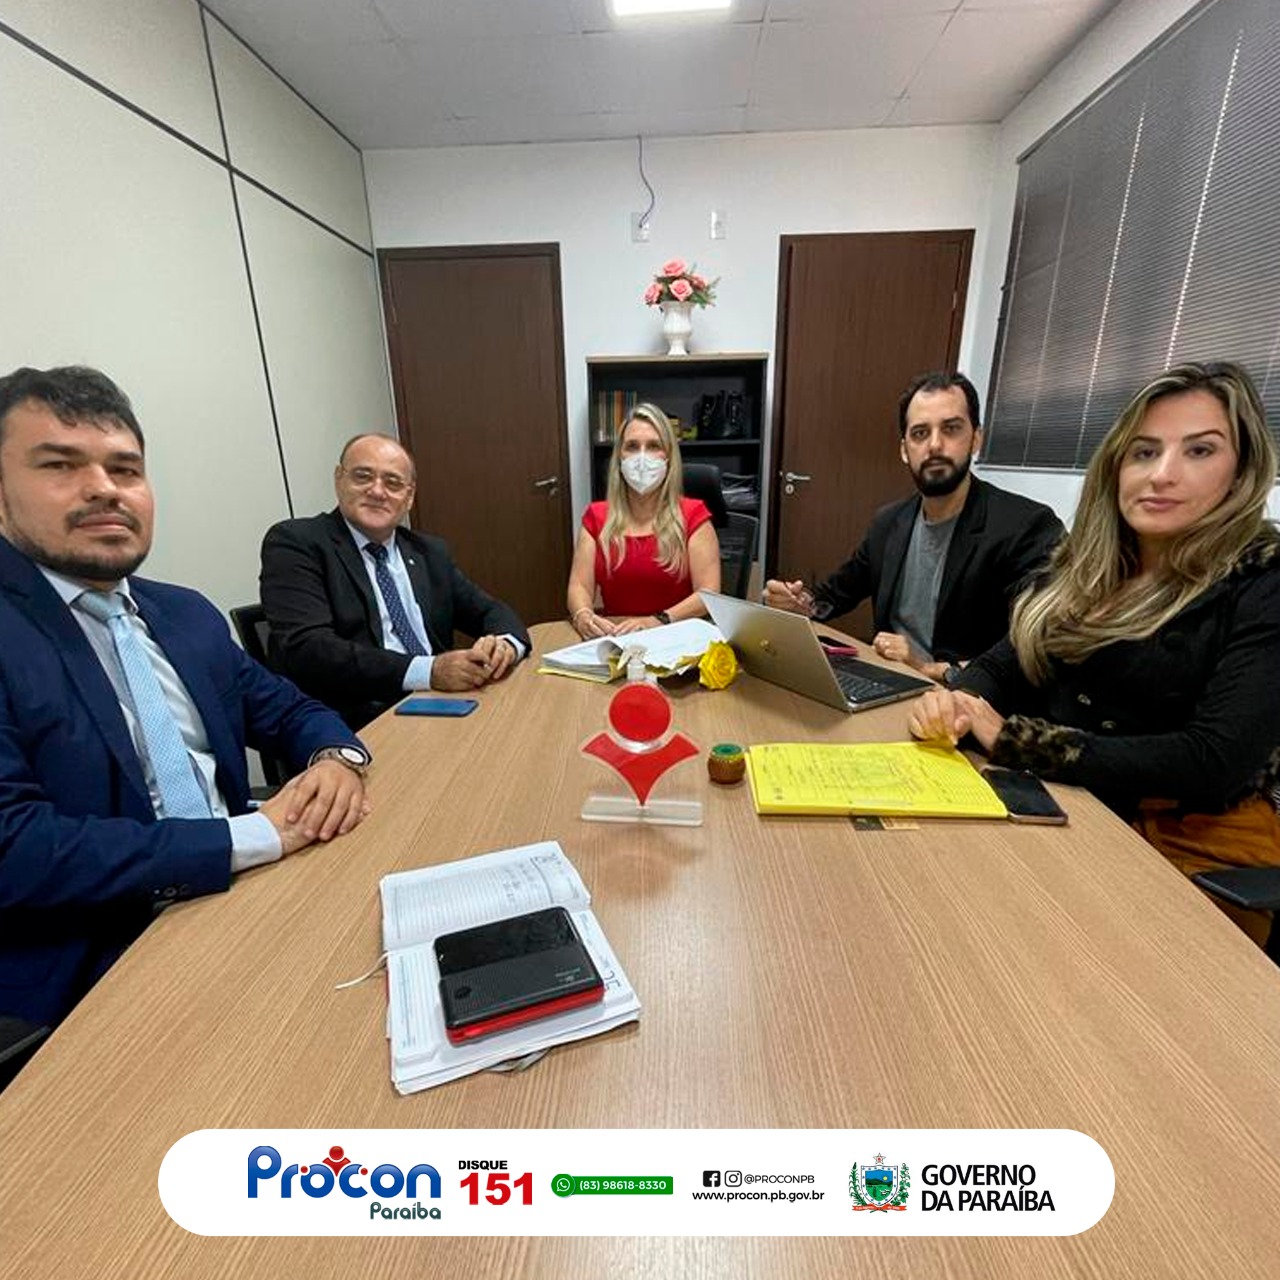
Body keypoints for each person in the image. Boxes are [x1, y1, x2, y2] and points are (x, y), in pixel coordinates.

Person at [0, 366, 371, 1033]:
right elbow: (15, 848)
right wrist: (250, 836)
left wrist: (337, 759)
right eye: (60, 465)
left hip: (250, 898)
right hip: (98, 972)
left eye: (126, 469)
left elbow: (290, 710)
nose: (104, 489)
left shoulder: (184, 612)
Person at [907, 361, 1280, 944]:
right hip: (1065, 804)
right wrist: (960, 701)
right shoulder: (1086, 567)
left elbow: (1213, 760)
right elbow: (1005, 661)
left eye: (1200, 451)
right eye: (1144, 452)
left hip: (1188, 839)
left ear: (1241, 472)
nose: (1162, 474)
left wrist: (1017, 740)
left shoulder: (1263, 581)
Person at [764, 372, 1063, 682]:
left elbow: (1042, 640)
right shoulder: (888, 523)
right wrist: (801, 604)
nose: (935, 445)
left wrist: (933, 670)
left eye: (951, 429)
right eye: (920, 433)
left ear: (976, 439)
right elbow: (837, 592)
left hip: (968, 696)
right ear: (905, 450)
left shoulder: (1026, 527)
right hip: (890, 681)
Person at [260, 434, 530, 729]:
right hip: (354, 719)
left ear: (409, 497)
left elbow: (490, 610)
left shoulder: (428, 552)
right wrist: (429, 671)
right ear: (339, 480)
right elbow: (309, 649)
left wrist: (504, 645)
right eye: (363, 476)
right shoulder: (296, 544)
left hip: (439, 704)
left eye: (393, 483)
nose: (378, 491)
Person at [567, 403, 720, 638]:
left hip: (676, 636)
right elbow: (579, 586)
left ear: (668, 457)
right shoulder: (596, 517)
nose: (641, 457)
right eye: (632, 446)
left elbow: (708, 593)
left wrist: (658, 620)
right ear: (619, 457)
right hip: (617, 638)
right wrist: (583, 615)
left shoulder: (693, 516)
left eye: (653, 446)